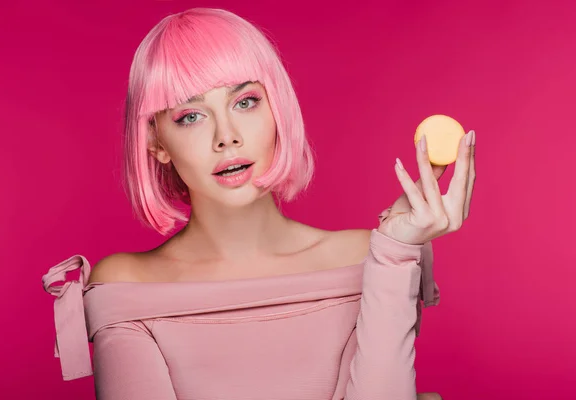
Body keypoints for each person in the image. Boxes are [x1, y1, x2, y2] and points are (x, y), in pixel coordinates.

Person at [42, 7, 476, 400]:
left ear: (277, 111)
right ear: (156, 142)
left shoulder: (370, 258)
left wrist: (396, 251)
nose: (225, 136)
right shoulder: (126, 285)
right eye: (190, 116)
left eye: (245, 101)